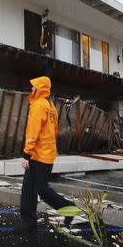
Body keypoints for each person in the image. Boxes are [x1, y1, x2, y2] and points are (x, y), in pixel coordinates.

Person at [20, 76, 75, 230]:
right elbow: (54, 131)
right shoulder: (50, 106)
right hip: (46, 153)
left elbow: (33, 132)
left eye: (34, 86)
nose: (31, 89)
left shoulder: (38, 105)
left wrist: (26, 154)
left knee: (41, 190)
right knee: (29, 190)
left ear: (40, 88)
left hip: (38, 155)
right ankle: (28, 223)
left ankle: (69, 208)